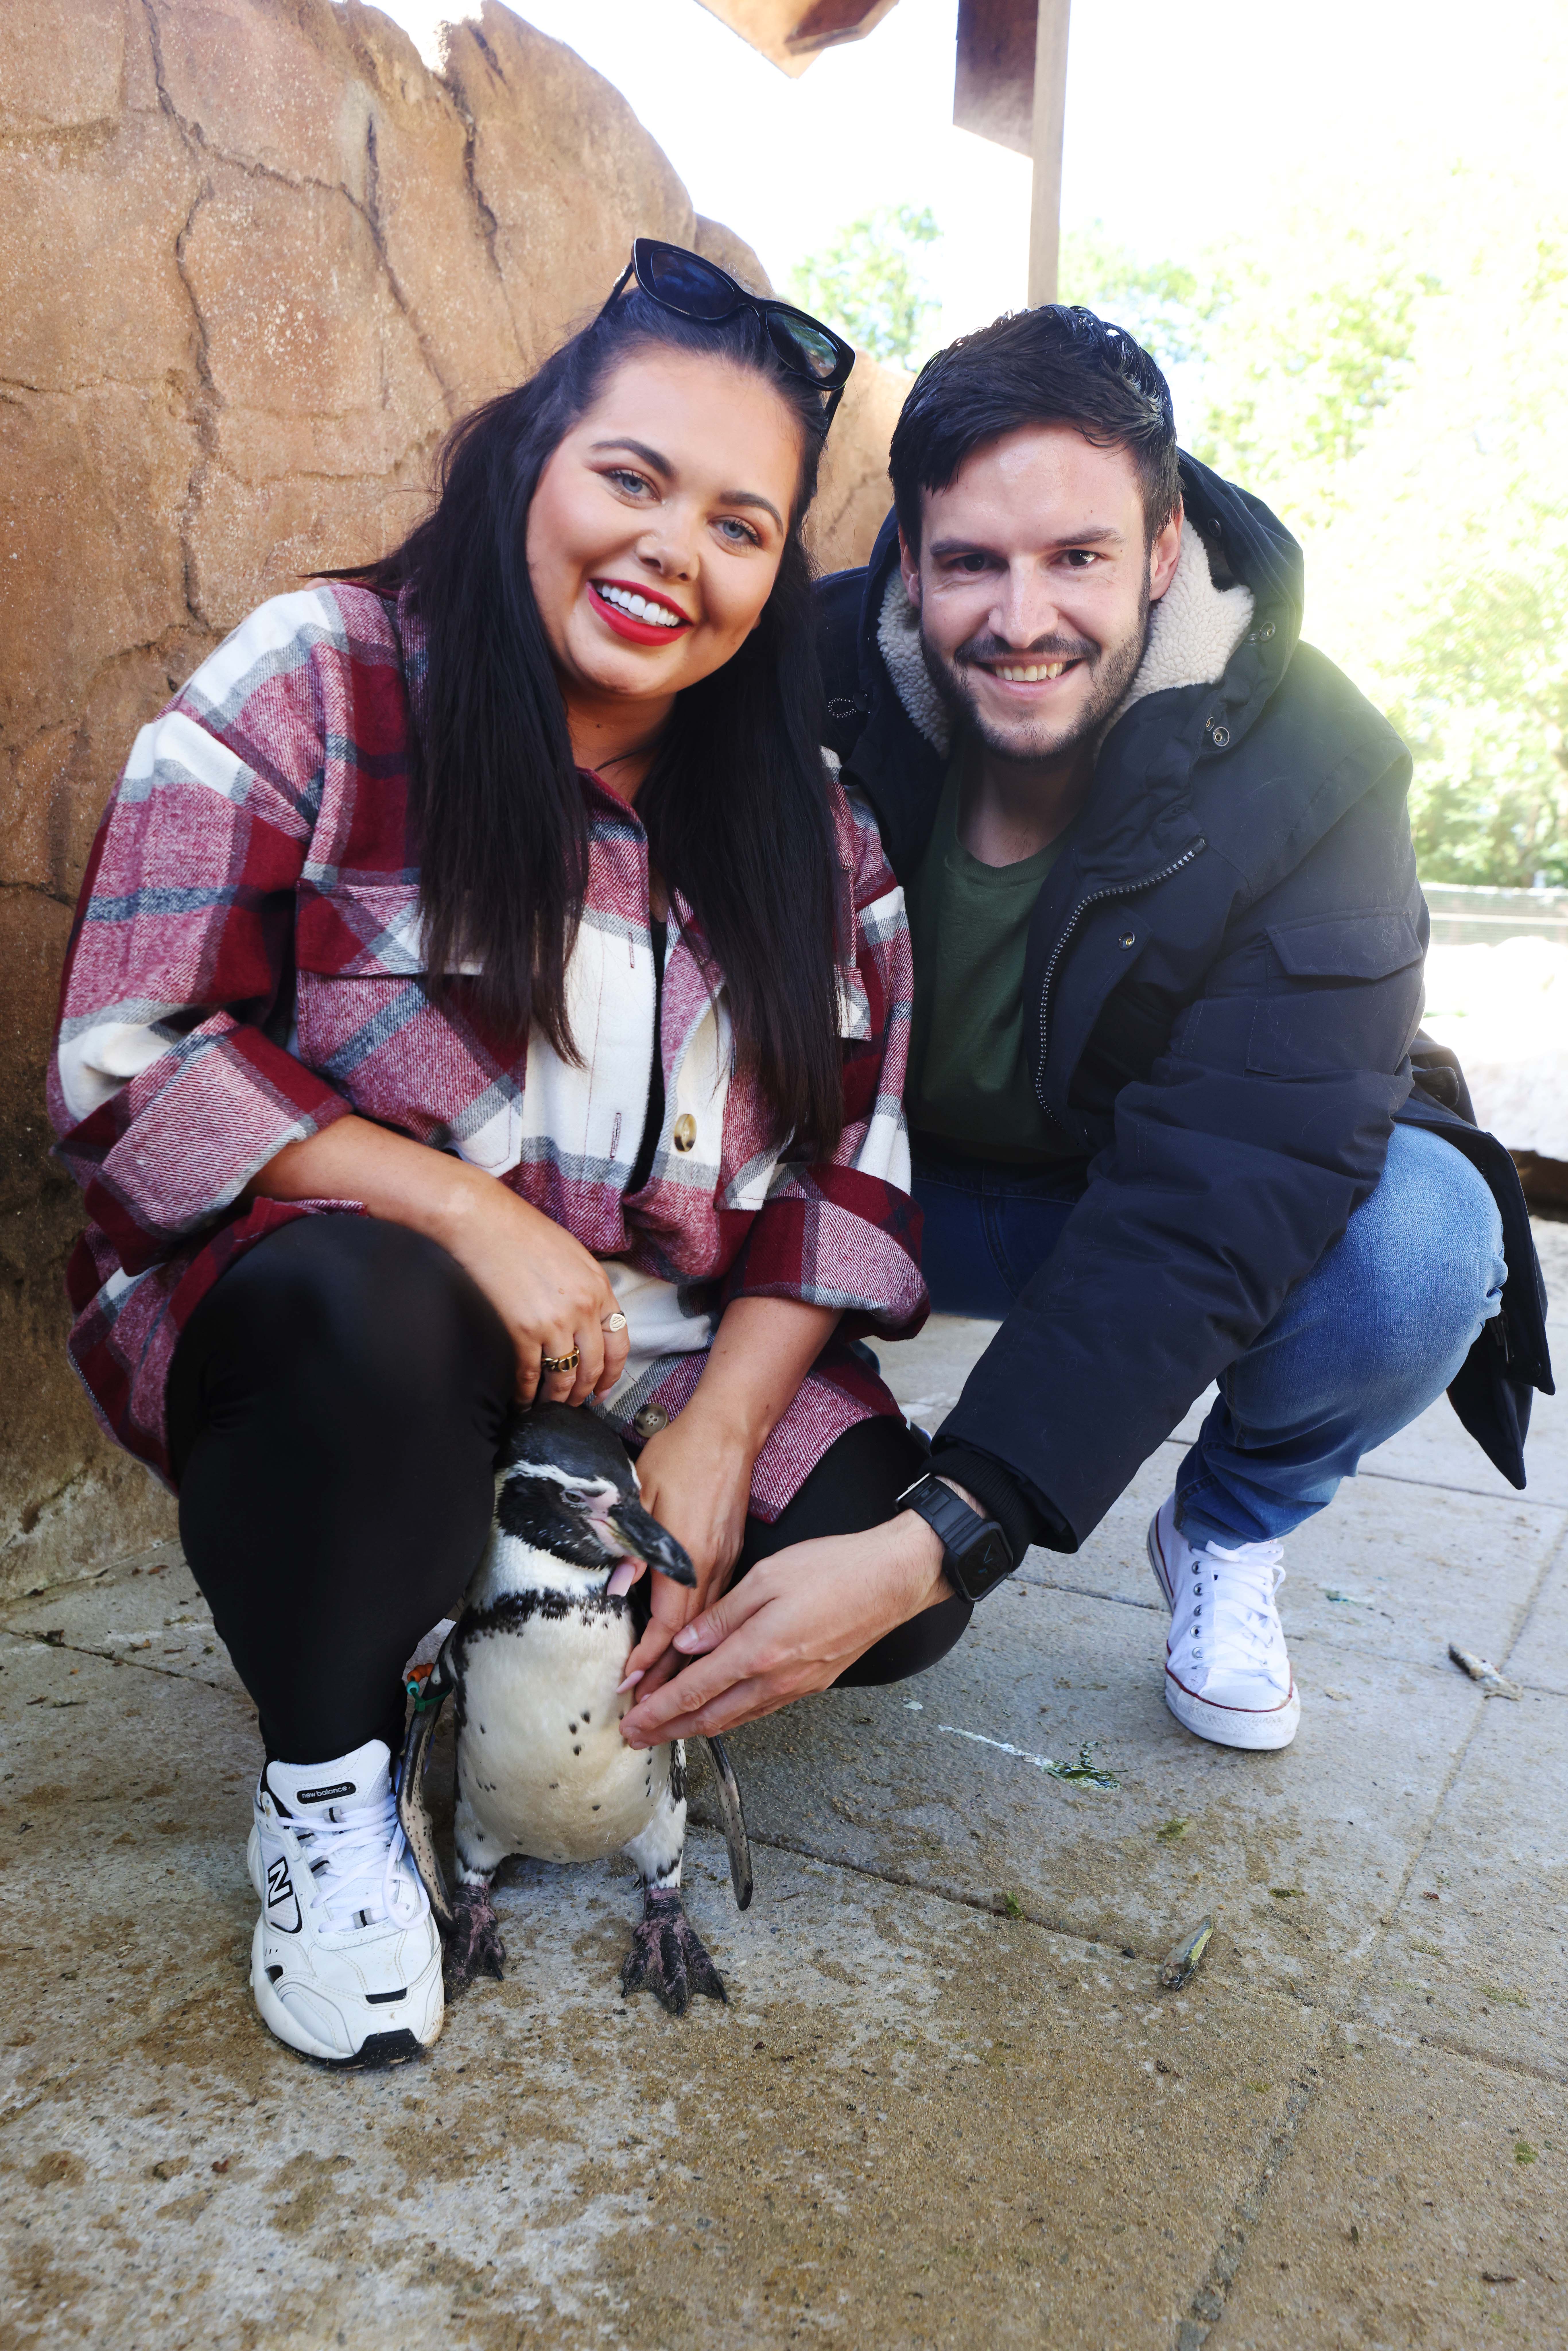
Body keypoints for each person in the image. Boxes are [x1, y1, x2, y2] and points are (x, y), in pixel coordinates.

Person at [48, 242, 964, 2070]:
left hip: (667, 1355)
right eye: (630, 479)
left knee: (869, 1576)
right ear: (531, 458)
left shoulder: (814, 824)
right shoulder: (324, 676)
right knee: (366, 1323)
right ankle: (330, 1770)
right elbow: (123, 1051)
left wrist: (712, 1440)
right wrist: (460, 1206)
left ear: (779, 575)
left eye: (738, 524)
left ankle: (504, 1619)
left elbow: (847, 1172)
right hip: (378, 1311)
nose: (669, 556)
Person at [618, 303, 1552, 1763]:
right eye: (971, 562)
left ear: (1163, 544)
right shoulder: (799, 670)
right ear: (907, 559)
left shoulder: (1321, 764)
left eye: (1079, 557)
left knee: (1424, 1242)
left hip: (1121, 1182)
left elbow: (1214, 1193)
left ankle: (1230, 1530)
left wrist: (944, 1532)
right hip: (862, 1182)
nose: (1023, 616)